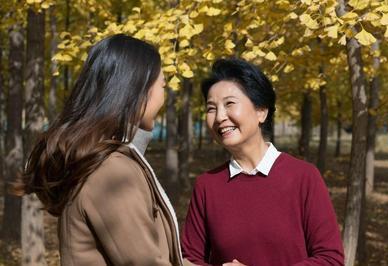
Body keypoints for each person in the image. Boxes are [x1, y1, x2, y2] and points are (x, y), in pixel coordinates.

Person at [18, 34, 192, 265]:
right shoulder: (112, 171)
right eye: (162, 85)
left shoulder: (99, 159)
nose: (165, 95)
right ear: (138, 90)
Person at [181, 58, 344, 266]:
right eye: (211, 108)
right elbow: (190, 259)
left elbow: (330, 259)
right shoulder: (207, 185)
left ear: (261, 111)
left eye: (230, 104)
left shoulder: (304, 177)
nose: (220, 116)